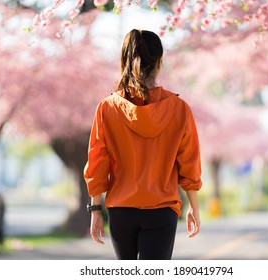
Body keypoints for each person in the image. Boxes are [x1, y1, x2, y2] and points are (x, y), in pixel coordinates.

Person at [83, 29, 202, 260]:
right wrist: (193, 206)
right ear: (159, 61)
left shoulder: (107, 109)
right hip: (162, 209)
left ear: (124, 60)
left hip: (121, 211)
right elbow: (189, 162)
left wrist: (95, 210)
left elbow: (97, 162)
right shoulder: (179, 109)